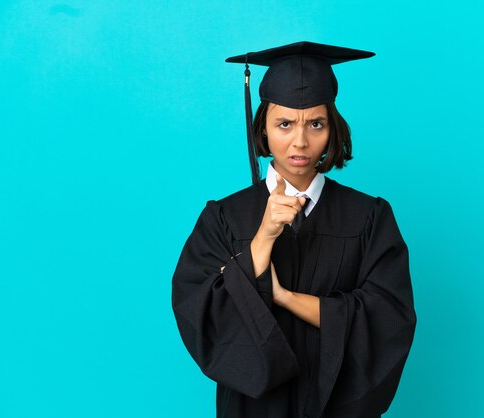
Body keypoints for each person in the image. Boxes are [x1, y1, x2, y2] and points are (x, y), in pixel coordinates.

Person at [171, 41, 417, 418]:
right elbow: (199, 310)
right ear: (264, 130)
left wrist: (284, 297)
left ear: (332, 129)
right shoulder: (223, 217)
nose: (300, 141)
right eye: (284, 124)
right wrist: (264, 236)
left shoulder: (369, 217)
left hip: (335, 402)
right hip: (252, 408)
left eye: (315, 124)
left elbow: (387, 318)